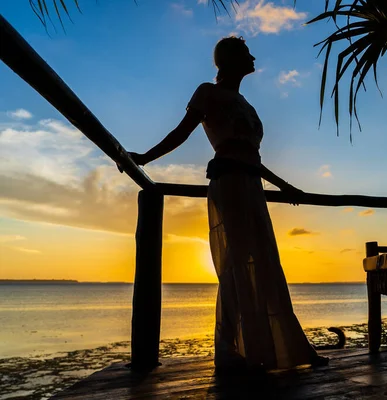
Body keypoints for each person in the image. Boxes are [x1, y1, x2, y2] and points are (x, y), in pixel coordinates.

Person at [127, 36, 329, 373]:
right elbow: (183, 132)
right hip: (230, 185)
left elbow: (251, 156)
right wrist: (145, 158)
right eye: (246, 53)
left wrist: (284, 185)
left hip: (252, 186)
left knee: (265, 262)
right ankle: (235, 351)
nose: (253, 57)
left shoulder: (245, 104)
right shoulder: (208, 92)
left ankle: (279, 348)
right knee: (236, 265)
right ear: (231, 60)